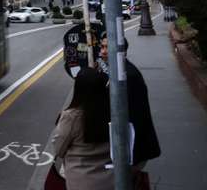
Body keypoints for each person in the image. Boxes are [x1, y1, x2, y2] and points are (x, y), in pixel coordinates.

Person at [99, 35, 162, 170]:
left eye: (107, 48)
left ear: (121, 52)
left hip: (133, 147)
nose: (102, 52)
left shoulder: (126, 76)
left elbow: (130, 114)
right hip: (129, 145)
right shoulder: (118, 71)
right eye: (102, 47)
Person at [49, 67, 113, 189]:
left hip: (81, 181)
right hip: (110, 179)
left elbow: (59, 149)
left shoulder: (72, 117)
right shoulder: (113, 113)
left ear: (78, 89)